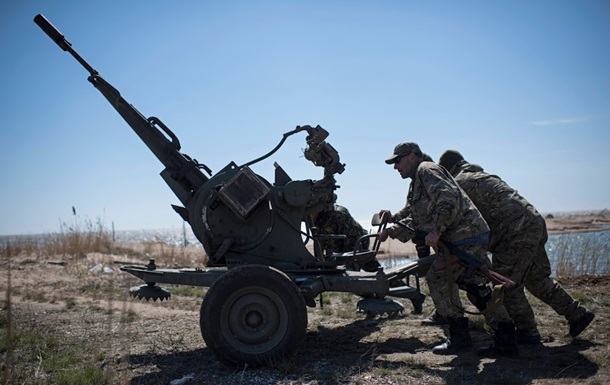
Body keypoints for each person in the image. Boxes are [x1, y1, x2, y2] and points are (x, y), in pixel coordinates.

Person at [438, 150, 595, 342]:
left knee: (505, 285)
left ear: (447, 169)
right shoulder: (483, 175)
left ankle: (527, 331)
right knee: (537, 279)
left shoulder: (459, 184)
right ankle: (577, 314)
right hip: (534, 222)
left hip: (513, 233)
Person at [378, 142, 518, 356]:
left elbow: (448, 199)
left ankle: (460, 337)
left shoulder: (427, 170)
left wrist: (435, 230)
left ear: (413, 156)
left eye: (398, 161)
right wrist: (393, 221)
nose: (395, 166)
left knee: (437, 278)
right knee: (475, 287)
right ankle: (506, 339)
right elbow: (415, 214)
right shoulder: (419, 179)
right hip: (467, 237)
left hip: (464, 238)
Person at [312, 203, 380, 272]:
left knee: (372, 270)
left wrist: (351, 264)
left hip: (358, 243)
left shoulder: (338, 215)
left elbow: (354, 239)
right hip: (339, 249)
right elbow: (318, 243)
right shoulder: (312, 220)